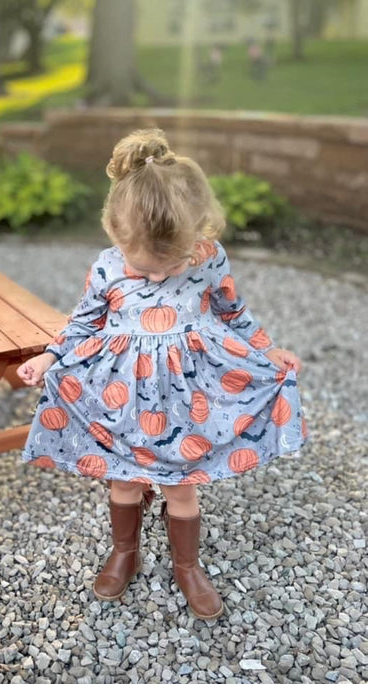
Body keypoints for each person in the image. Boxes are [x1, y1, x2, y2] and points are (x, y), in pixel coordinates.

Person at [16, 128, 307, 620]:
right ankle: (125, 551)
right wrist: (49, 357)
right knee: (123, 481)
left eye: (164, 266)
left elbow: (233, 312)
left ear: (195, 237)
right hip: (122, 396)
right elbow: (84, 320)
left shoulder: (207, 257)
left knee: (180, 485)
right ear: (115, 233)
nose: (153, 277)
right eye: (142, 266)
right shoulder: (108, 267)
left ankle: (187, 565)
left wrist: (267, 349)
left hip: (186, 396)